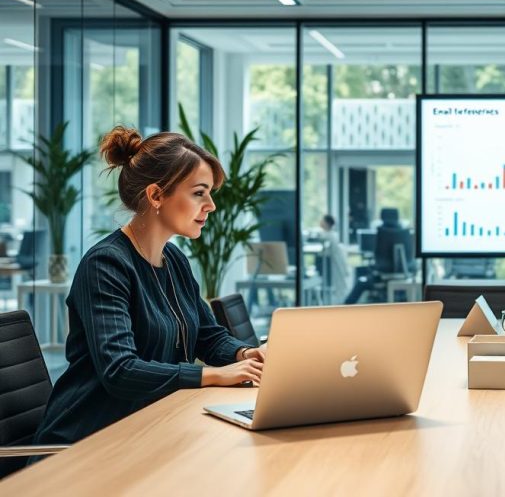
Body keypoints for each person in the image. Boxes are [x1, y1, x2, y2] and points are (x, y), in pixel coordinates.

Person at [33, 126, 267, 448]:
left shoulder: (173, 260)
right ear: (156, 195)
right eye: (199, 192)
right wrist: (212, 375)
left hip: (150, 429)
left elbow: (204, 334)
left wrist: (245, 354)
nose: (211, 205)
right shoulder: (106, 265)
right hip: (86, 442)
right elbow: (120, 370)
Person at [317, 214, 351, 302]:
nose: (320, 222)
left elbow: (326, 250)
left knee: (338, 282)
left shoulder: (329, 235)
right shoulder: (330, 234)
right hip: (334, 259)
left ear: (327, 223)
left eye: (322, 220)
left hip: (335, 260)